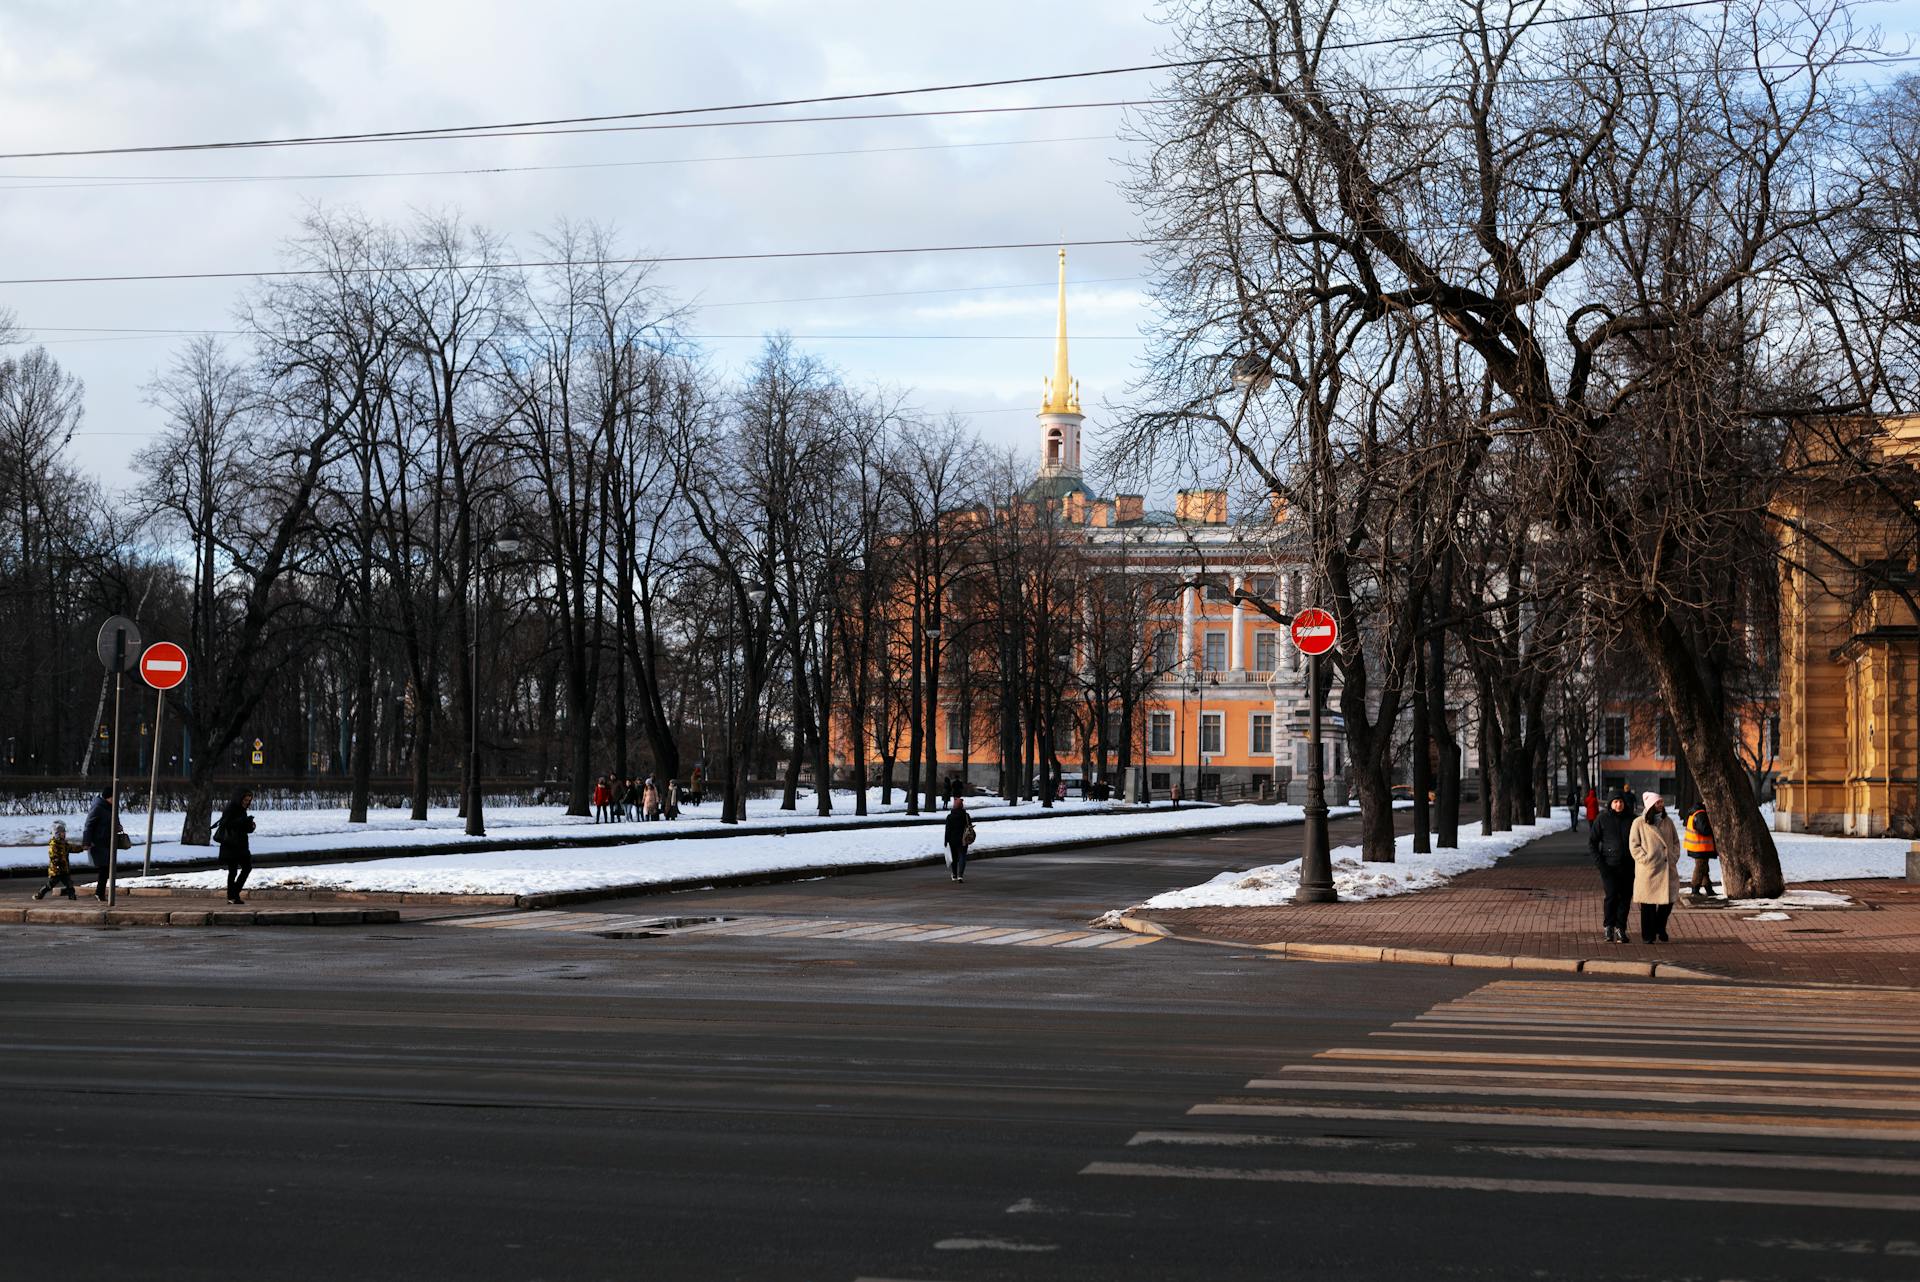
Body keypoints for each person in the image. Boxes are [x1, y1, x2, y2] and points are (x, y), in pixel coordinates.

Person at [1629, 790, 1682, 944]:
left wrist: (1673, 856)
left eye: (1662, 802)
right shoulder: (1639, 823)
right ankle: (1648, 935)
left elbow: (1676, 842)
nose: (1661, 805)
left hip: (1667, 868)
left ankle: (1659, 926)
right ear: (1651, 805)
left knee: (1668, 901)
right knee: (1648, 905)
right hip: (1649, 870)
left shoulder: (1668, 821)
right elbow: (1634, 846)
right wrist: (1645, 859)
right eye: (1658, 803)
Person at [1587, 792, 1634, 943]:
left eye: (1620, 802)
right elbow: (1592, 842)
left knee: (1625, 898)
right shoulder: (1603, 818)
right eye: (1615, 802)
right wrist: (1600, 864)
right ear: (1610, 804)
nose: (1618, 805)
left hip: (1628, 866)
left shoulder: (1632, 819)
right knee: (1612, 896)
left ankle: (1621, 928)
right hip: (1609, 866)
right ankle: (1608, 927)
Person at [214, 788, 256, 905]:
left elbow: (242, 828)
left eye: (249, 800)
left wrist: (250, 826)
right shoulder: (231, 808)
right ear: (240, 798)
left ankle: (233, 894)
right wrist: (243, 821)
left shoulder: (242, 810)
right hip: (231, 844)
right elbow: (226, 823)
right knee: (234, 871)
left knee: (245, 868)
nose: (246, 802)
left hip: (240, 845)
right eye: (245, 799)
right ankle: (233, 895)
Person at [82, 787, 122, 902]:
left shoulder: (110, 807)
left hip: (108, 842)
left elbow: (114, 820)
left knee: (107, 868)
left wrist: (118, 826)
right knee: (104, 868)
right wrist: (86, 842)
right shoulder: (98, 807)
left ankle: (100, 893)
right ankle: (100, 893)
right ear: (108, 797)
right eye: (114, 797)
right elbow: (88, 825)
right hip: (99, 842)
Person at [32, 821, 81, 900]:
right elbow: (53, 856)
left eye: (64, 832)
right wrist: (57, 862)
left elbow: (72, 848)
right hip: (56, 870)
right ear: (57, 833)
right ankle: (40, 894)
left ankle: (72, 897)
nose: (64, 834)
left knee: (69, 884)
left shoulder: (64, 844)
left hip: (64, 869)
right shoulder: (54, 844)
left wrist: (82, 848)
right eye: (62, 832)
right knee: (50, 885)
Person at [1683, 805, 1717, 899]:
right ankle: (1695, 888)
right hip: (1700, 847)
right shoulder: (1701, 814)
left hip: (1697, 846)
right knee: (1700, 868)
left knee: (1704, 868)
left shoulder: (1695, 813)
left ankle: (1708, 889)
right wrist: (1714, 828)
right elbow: (1704, 830)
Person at [943, 795, 974, 882]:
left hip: (952, 840)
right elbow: (970, 826)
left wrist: (946, 841)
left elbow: (947, 830)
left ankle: (954, 874)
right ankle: (960, 875)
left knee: (954, 857)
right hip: (963, 839)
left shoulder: (950, 817)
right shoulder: (966, 816)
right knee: (962, 856)